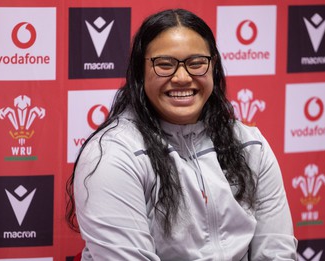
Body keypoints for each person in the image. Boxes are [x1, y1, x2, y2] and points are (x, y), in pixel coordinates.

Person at [66, 8, 298, 260]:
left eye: (196, 63)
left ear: (214, 68)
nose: (182, 77)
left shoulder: (250, 144)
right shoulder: (113, 155)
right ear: (139, 72)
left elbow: (277, 253)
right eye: (164, 65)